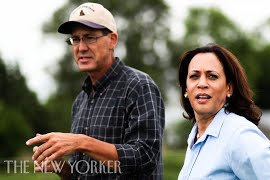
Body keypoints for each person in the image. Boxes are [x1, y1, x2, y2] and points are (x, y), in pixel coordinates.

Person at [26, 2, 165, 180]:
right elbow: (80, 175)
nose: (81, 47)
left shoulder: (139, 85)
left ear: (112, 40)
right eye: (75, 39)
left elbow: (146, 157)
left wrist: (81, 142)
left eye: (90, 37)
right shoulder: (80, 101)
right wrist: (61, 167)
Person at [177, 44, 270, 179]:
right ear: (186, 90)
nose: (202, 83)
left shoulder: (239, 136)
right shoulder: (195, 137)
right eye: (194, 76)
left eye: (212, 76)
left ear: (229, 88)